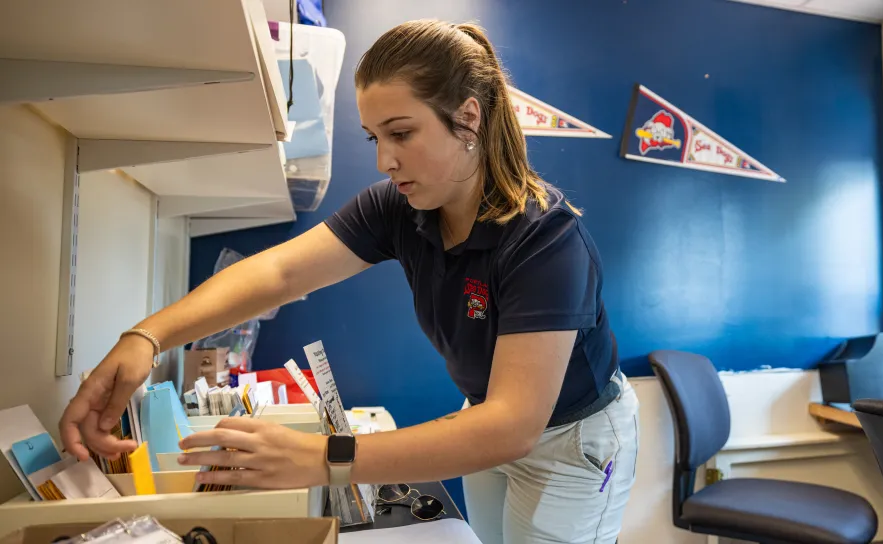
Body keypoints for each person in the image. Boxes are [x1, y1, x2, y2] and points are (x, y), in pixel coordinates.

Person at [59, 19, 639, 544]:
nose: (384, 160)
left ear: (469, 118)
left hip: (572, 440)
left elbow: (513, 426)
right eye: (373, 138)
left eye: (402, 133)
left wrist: (325, 457)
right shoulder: (401, 208)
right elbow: (279, 272)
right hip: (487, 415)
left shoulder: (546, 241)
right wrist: (146, 337)